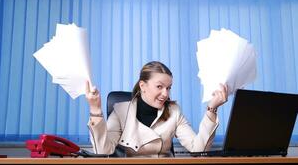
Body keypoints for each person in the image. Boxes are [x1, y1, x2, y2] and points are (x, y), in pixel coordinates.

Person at [85, 61, 228, 157]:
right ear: (143, 86)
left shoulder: (174, 111)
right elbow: (102, 151)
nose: (166, 94)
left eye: (168, 88)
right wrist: (95, 108)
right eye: (159, 87)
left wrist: (212, 108)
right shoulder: (121, 111)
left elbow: (199, 150)